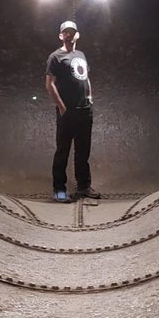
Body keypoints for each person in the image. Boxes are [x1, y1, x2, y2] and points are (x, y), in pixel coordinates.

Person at [45, 20, 101, 203]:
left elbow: (86, 77)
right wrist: (62, 107)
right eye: (66, 32)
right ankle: (59, 191)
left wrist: (90, 98)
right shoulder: (55, 57)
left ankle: (83, 186)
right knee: (63, 151)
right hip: (67, 112)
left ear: (77, 35)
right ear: (61, 36)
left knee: (83, 151)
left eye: (72, 31)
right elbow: (49, 84)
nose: (69, 34)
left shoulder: (81, 55)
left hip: (85, 110)